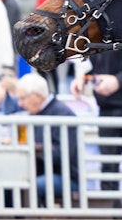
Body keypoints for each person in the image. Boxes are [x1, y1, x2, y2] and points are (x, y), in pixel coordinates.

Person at [71, 42, 122, 206]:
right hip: (108, 108)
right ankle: (111, 217)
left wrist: (119, 80)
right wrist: (85, 79)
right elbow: (102, 69)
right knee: (108, 167)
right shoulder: (97, 32)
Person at [15, 73, 80, 204]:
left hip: (65, 176)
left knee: (32, 186)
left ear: (37, 96)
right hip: (39, 172)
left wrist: (38, 148)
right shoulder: (34, 113)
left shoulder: (63, 115)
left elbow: (65, 154)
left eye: (23, 99)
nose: (20, 104)